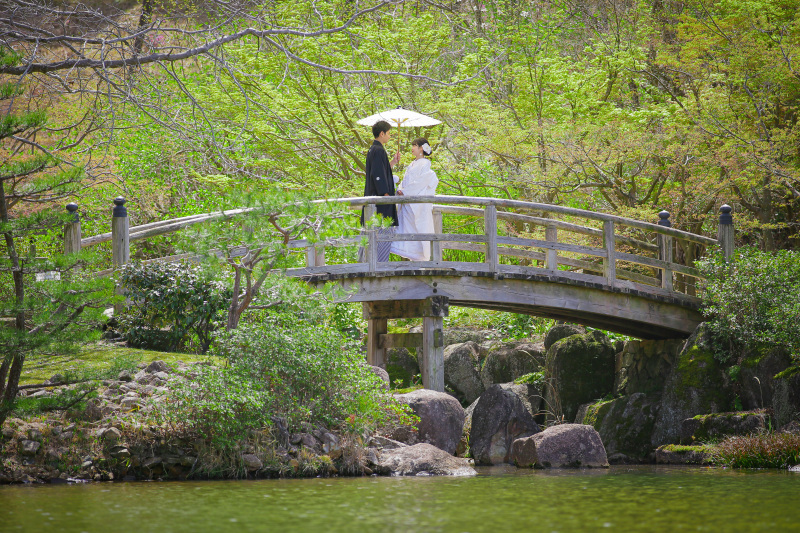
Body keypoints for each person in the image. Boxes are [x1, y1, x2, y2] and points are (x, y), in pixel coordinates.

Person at [390, 138, 439, 261]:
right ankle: (410, 256)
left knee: (417, 228)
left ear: (421, 148)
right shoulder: (412, 164)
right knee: (406, 228)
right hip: (407, 202)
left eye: (415, 145)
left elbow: (420, 182)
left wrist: (406, 192)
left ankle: (419, 257)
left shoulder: (425, 164)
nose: (412, 148)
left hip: (415, 202)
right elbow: (406, 181)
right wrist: (401, 189)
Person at [361, 120, 400, 262]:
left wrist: (393, 162)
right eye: (389, 133)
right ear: (382, 133)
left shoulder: (375, 149)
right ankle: (378, 263)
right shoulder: (377, 150)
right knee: (381, 231)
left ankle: (372, 261)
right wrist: (385, 195)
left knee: (374, 232)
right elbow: (377, 175)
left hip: (375, 198)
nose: (390, 136)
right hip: (379, 202)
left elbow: (381, 171)